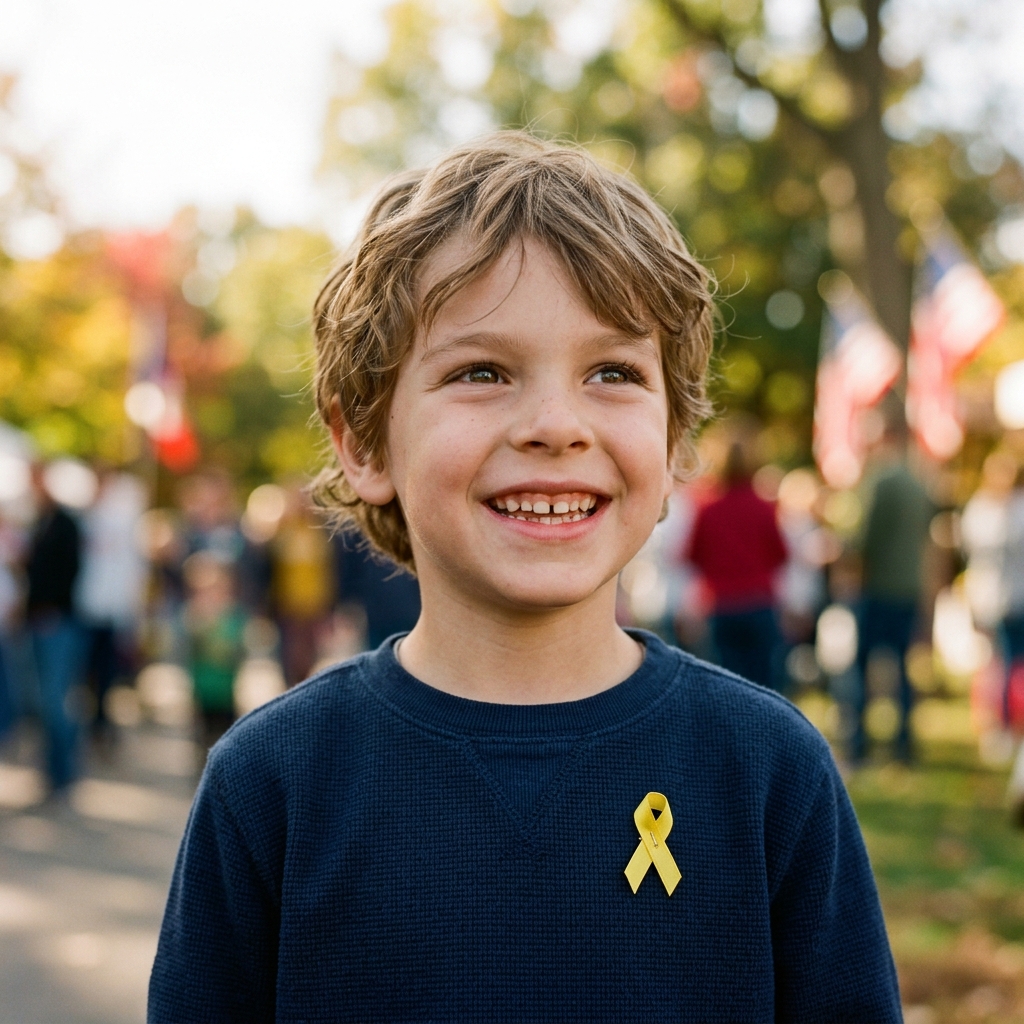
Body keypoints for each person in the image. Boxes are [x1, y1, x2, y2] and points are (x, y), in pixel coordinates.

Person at [149, 133, 900, 1022]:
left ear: (673, 444)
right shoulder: (273, 784)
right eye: (482, 371)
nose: (555, 424)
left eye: (613, 373)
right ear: (361, 442)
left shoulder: (770, 774)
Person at [853, 421, 934, 764]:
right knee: (902, 667)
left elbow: (865, 538)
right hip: (909, 586)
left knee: (863, 667)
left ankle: (859, 742)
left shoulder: (882, 483)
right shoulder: (920, 485)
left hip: (879, 587)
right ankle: (904, 744)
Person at [685, 441, 788, 690]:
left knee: (727, 684)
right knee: (765, 682)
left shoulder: (709, 510)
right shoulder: (763, 508)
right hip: (759, 602)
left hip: (723, 605)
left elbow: (692, 555)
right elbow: (781, 554)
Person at [24, 464, 83, 792]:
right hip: (40, 619)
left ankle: (62, 771)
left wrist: (49, 606)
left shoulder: (64, 525)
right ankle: (54, 769)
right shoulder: (39, 522)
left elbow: (67, 572)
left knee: (55, 698)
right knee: (44, 698)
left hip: (56, 620)